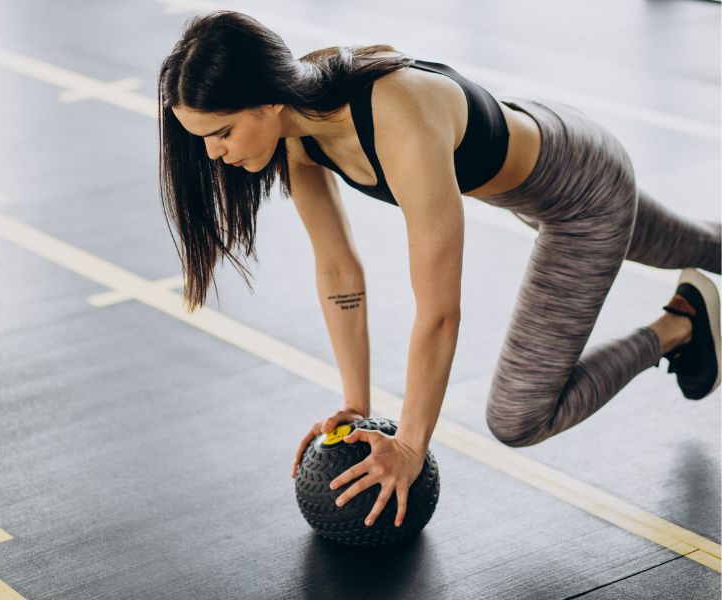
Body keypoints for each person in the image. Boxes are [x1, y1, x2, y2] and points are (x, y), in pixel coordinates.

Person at [157, 10, 721, 529]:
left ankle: (684, 324)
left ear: (268, 100)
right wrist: (357, 404)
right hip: (548, 167)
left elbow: (439, 310)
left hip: (582, 193)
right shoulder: (301, 134)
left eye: (221, 132)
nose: (213, 154)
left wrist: (408, 444)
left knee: (518, 419)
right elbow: (338, 270)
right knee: (700, 245)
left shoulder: (397, 120)